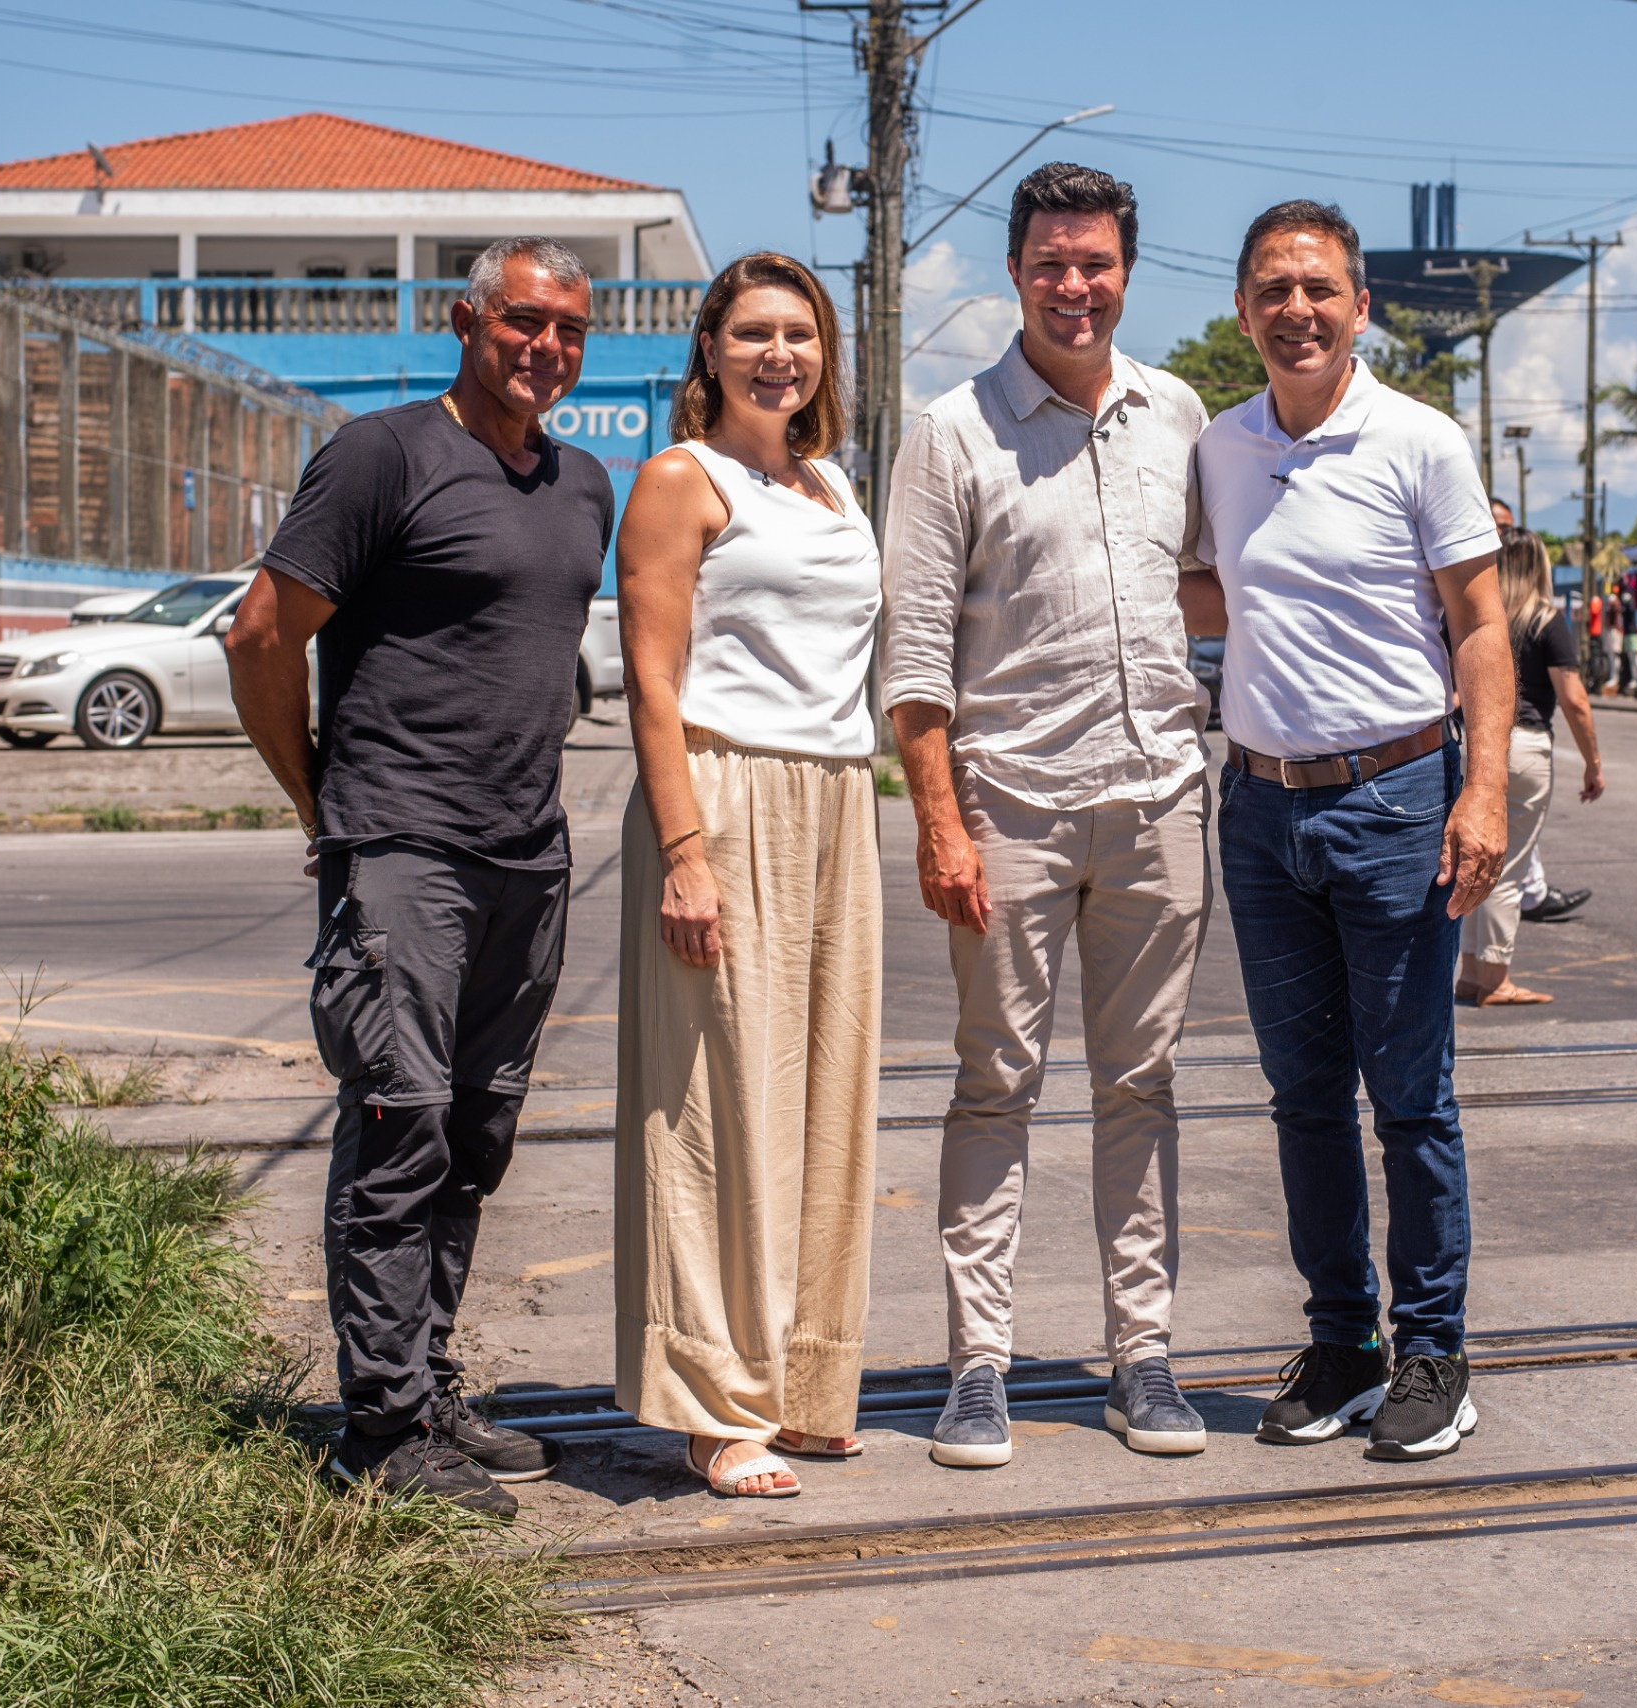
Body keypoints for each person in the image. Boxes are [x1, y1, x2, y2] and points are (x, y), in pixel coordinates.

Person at [227, 237, 613, 1517]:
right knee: (398, 1130)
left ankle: (428, 1383)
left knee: (474, 1134)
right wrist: (320, 797)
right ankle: (380, 1431)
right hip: (403, 847)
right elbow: (263, 633)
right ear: (465, 319)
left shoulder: (582, 483)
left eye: (568, 329)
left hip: (527, 854)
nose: (545, 348)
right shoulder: (381, 453)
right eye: (523, 321)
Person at [881, 163, 1214, 1472]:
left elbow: (1202, 588)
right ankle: (980, 1365)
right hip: (1010, 805)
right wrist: (941, 824)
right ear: (1014, 272)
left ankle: (1144, 1354)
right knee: (995, 1086)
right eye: (1050, 263)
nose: (1074, 285)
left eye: (1096, 263)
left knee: (1144, 1084)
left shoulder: (1176, 411)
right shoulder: (950, 431)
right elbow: (913, 657)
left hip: (1160, 803)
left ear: (1126, 270)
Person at [1184, 200, 1513, 1463]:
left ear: (1359, 306)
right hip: (1261, 806)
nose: (1297, 310)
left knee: (1410, 1099)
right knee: (1301, 1099)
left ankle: (1435, 1350)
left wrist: (1479, 793)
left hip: (1393, 799)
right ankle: (1345, 1345)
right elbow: (1215, 581)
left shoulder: (1419, 441)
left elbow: (1478, 625)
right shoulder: (1220, 447)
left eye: (1319, 288)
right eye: (1273, 289)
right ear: (1243, 308)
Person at [611, 253, 882, 1501]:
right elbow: (654, 686)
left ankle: (803, 1381)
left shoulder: (830, 484)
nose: (781, 354)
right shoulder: (684, 478)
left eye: (802, 334)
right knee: (715, 1111)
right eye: (755, 333)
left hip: (836, 800)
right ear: (709, 350)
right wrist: (684, 855)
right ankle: (717, 1403)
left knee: (827, 1099)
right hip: (723, 798)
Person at [1458, 531, 1606, 1006]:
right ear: (1539, 567)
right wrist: (1593, 764)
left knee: (1473, 861)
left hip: (1476, 741)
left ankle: (1470, 975)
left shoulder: (1482, 617)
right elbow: (1575, 700)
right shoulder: (1546, 620)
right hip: (1524, 746)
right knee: (1509, 865)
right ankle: (1496, 978)